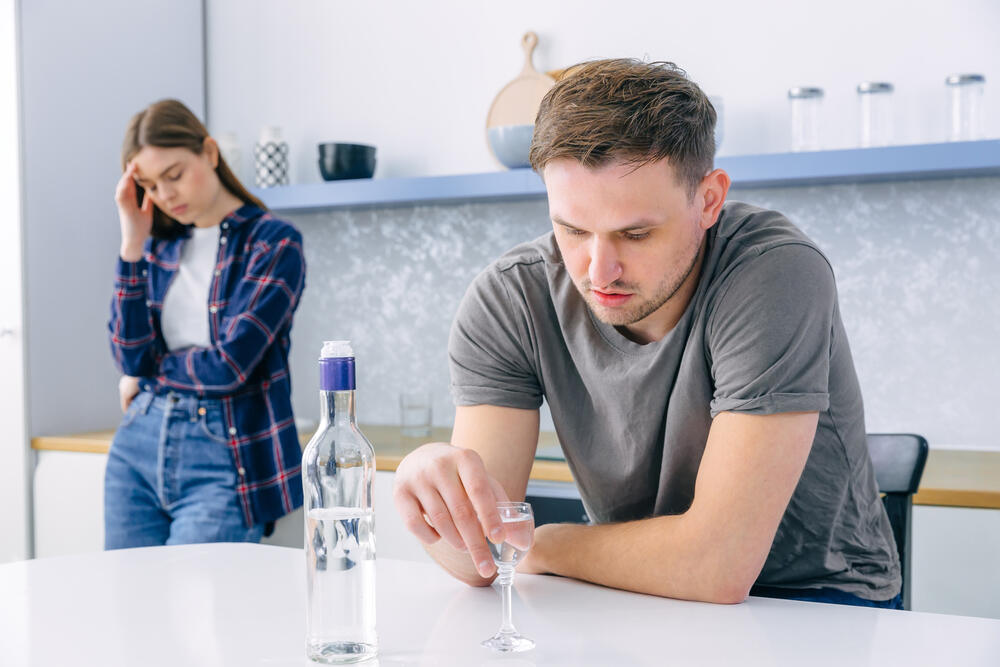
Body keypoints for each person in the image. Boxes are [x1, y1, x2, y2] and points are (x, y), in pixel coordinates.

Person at [393, 59, 902, 608]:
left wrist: (547, 544)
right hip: (630, 588)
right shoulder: (510, 298)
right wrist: (431, 491)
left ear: (708, 200)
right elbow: (486, 554)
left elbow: (716, 567)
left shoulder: (774, 271)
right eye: (572, 229)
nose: (597, 270)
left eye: (635, 234)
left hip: (814, 599)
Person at [106, 99, 306, 548]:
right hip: (136, 446)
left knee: (203, 612)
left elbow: (230, 366)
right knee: (125, 606)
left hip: (225, 454)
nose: (165, 194)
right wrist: (131, 244)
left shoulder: (274, 242)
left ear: (210, 153)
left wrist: (151, 372)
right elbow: (129, 355)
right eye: (151, 185)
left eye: (173, 175)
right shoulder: (156, 248)